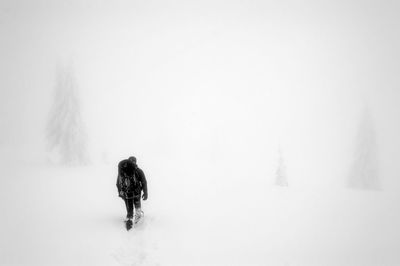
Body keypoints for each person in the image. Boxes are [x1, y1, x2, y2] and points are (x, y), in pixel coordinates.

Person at [116, 156, 148, 222]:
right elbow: (144, 182)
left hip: (127, 194)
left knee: (129, 210)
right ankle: (138, 221)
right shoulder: (138, 170)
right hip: (137, 193)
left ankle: (129, 221)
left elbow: (118, 183)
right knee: (137, 206)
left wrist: (120, 192)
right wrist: (145, 193)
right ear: (135, 162)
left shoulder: (122, 172)